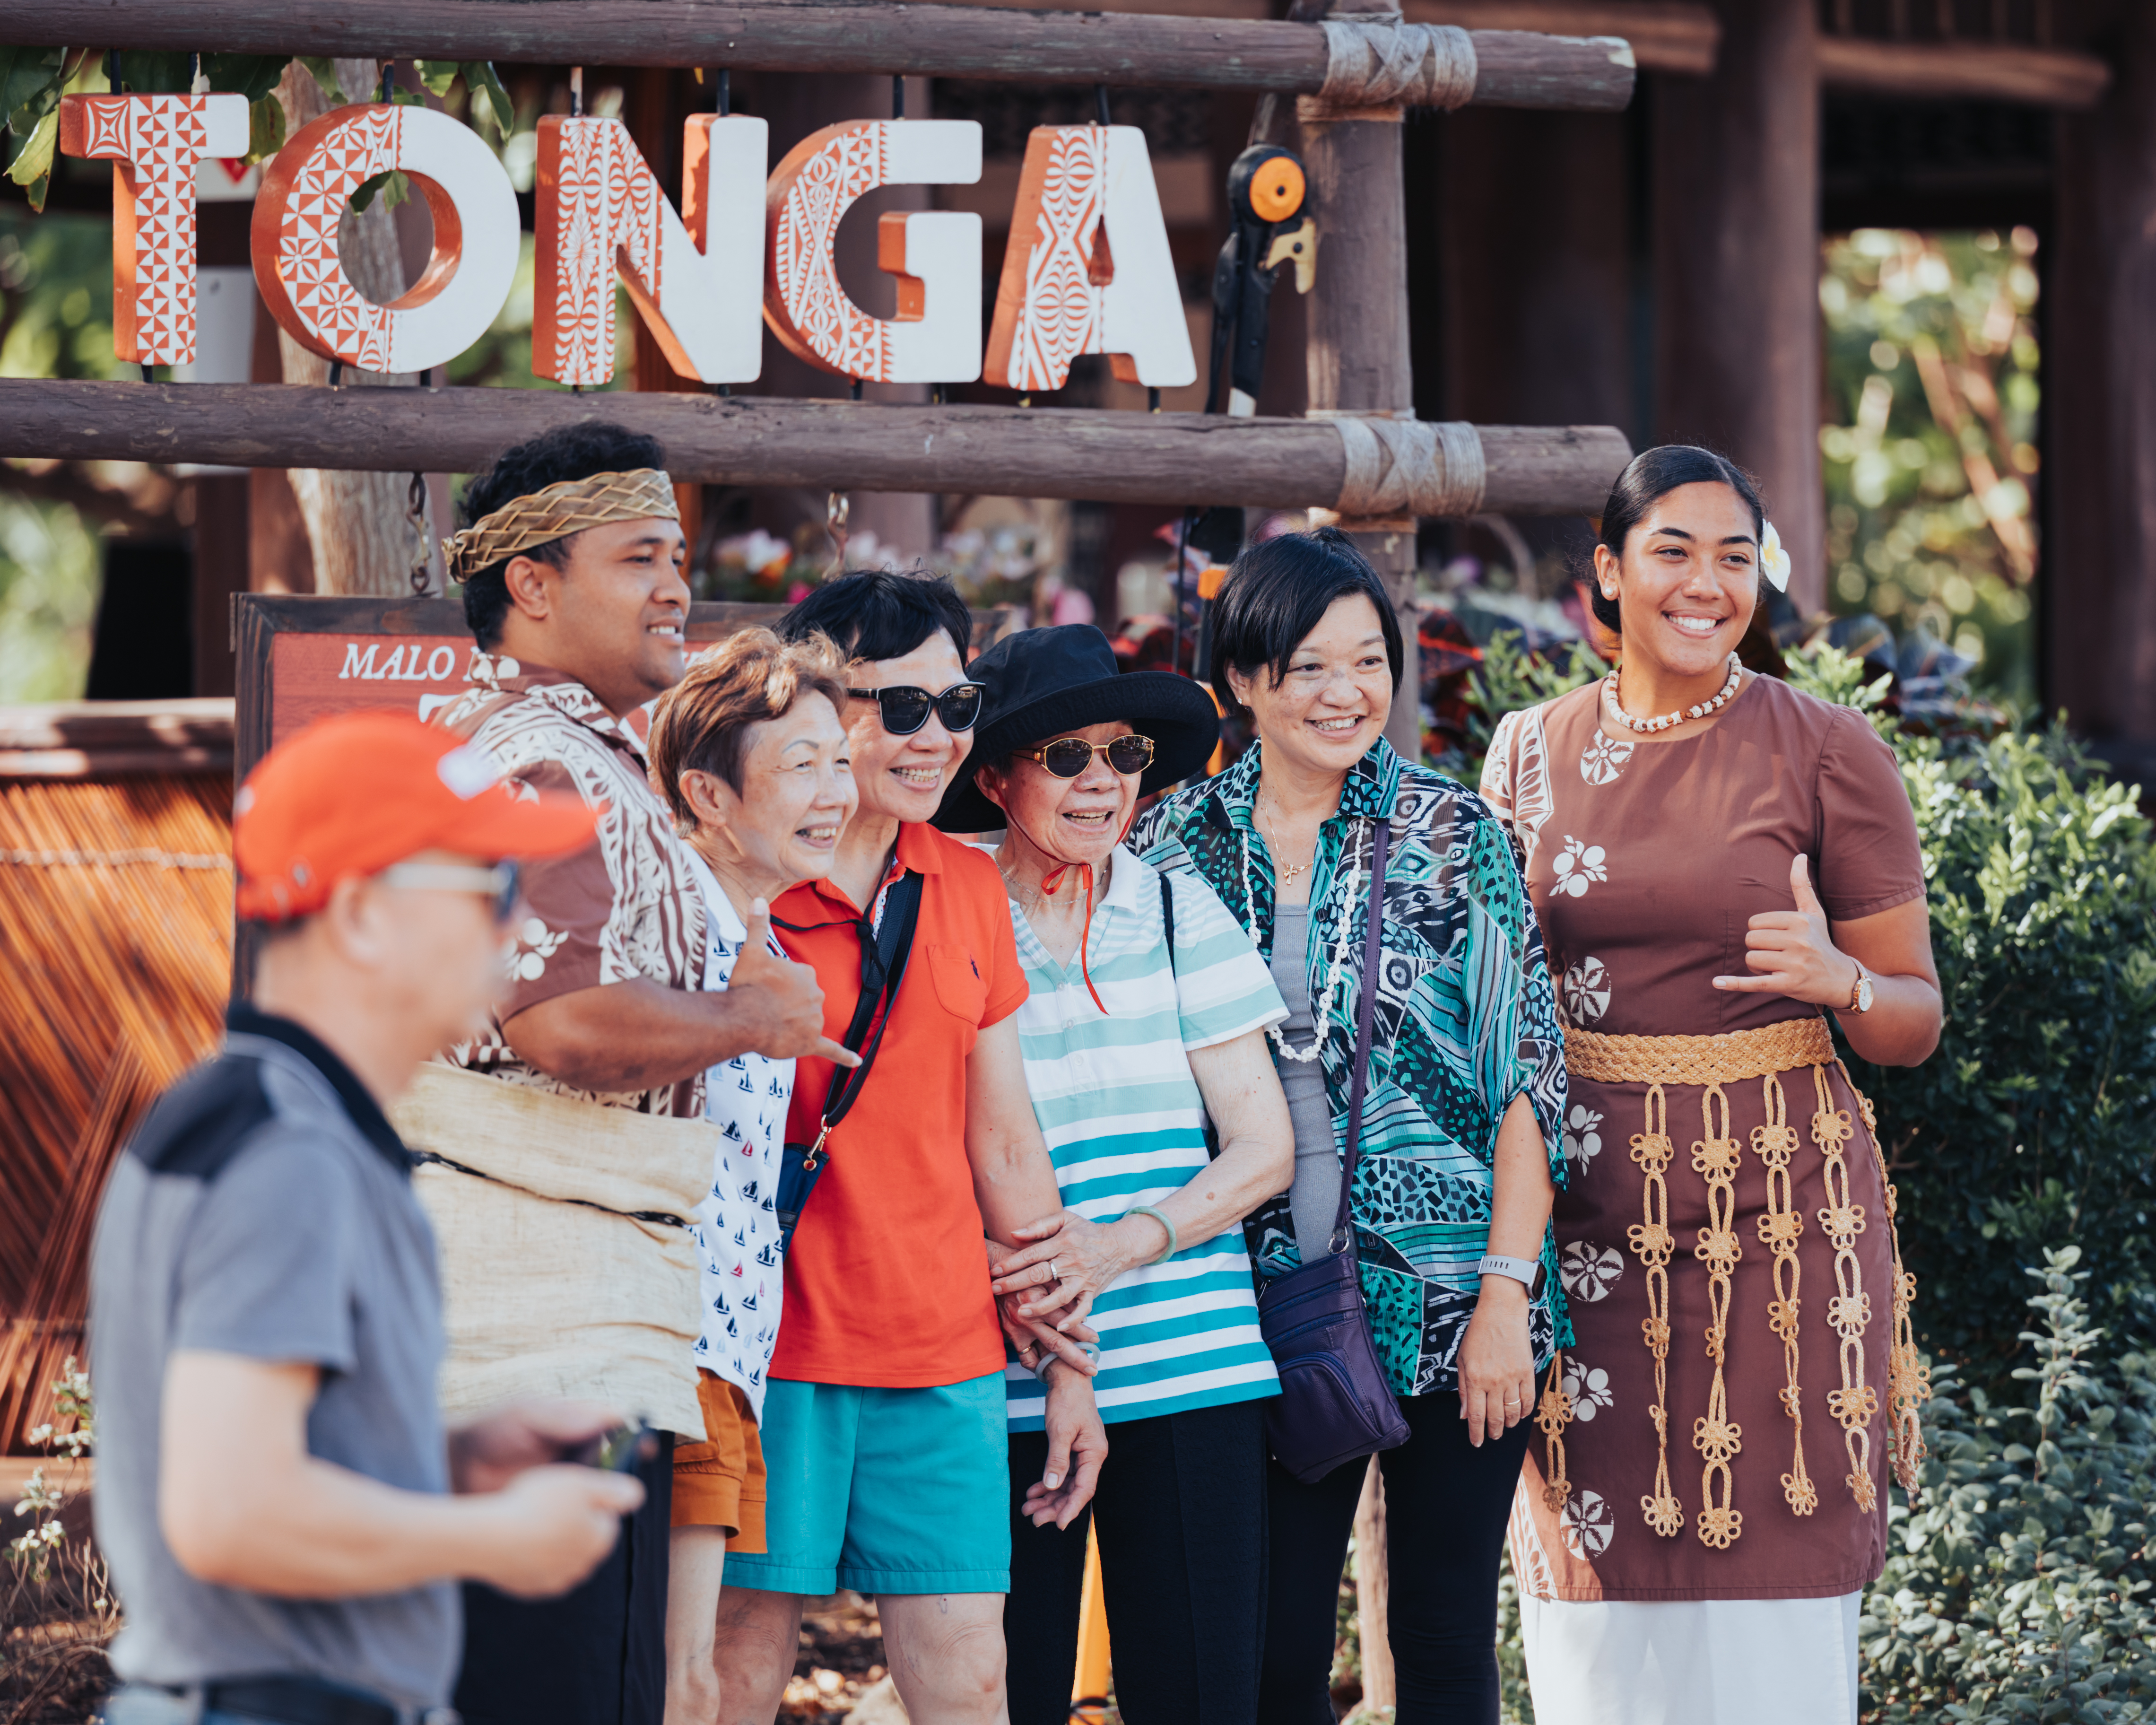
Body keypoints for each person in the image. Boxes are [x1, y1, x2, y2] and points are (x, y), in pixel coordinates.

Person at [1482, 446, 1940, 1725]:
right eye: (1673, 552)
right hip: (1581, 1233)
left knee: (1770, 1622)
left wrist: (1842, 980)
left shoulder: (1828, 750)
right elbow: (1490, 1016)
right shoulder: (1527, 754)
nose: (1706, 583)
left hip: (1780, 1228)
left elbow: (1915, 1022)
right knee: (1599, 1625)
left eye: (1735, 557)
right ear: (1608, 572)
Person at [90, 712, 645, 1725]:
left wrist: (451, 1460)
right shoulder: (291, 1156)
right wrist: (495, 1540)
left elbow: (250, 1460)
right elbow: (230, 1513)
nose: (518, 926)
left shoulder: (246, 1113)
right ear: (359, 916)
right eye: (491, 886)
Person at [427, 423, 855, 1725]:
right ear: (532, 584)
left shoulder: (567, 753)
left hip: (559, 1324)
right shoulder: (541, 760)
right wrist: (748, 1017)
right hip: (538, 1336)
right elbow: (560, 1024)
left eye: (678, 555)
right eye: (638, 558)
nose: (676, 586)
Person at [1130, 527, 1572, 1725]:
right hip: (1251, 1304)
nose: (1347, 693)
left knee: (1440, 1639)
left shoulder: (1454, 832)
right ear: (1243, 680)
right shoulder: (1170, 844)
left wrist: (1505, 1296)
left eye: (1369, 661)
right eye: (1310, 667)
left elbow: (1528, 1077)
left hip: (1452, 1293)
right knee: (1274, 1660)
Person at [713, 572, 1107, 1725]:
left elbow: (1006, 1143)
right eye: (901, 707)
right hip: (766, 1348)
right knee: (734, 1672)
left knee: (972, 1679)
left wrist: (1071, 1369)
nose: (937, 736)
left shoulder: (967, 883)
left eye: (958, 705)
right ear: (807, 708)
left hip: (943, 1353)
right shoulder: (738, 886)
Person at [930, 625, 1295, 1724]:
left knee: (1202, 1699)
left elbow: (1264, 1147)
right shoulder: (945, 908)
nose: (1103, 782)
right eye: (1066, 757)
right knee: (1009, 1694)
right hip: (1001, 1373)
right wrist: (1037, 1293)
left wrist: (1116, 1246)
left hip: (1195, 1367)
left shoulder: (1178, 907)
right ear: (994, 777)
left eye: (1125, 755)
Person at [643, 628, 858, 1724]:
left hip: (722, 1349)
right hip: (664, 1345)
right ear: (708, 797)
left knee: (689, 1673)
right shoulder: (670, 927)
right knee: (674, 1678)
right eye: (800, 765)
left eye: (840, 761)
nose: (836, 792)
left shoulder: (759, 936)